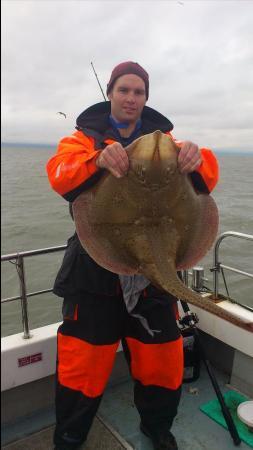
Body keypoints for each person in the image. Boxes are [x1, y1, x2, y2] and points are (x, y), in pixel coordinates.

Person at [46, 61, 219, 450]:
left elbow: (207, 177)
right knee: (83, 363)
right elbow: (59, 172)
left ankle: (158, 429)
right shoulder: (83, 140)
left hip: (155, 278)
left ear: (146, 98)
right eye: (124, 90)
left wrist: (196, 157)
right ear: (110, 92)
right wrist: (97, 161)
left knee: (162, 359)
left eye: (138, 92)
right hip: (95, 267)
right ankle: (70, 437)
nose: (131, 98)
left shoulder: (169, 144)